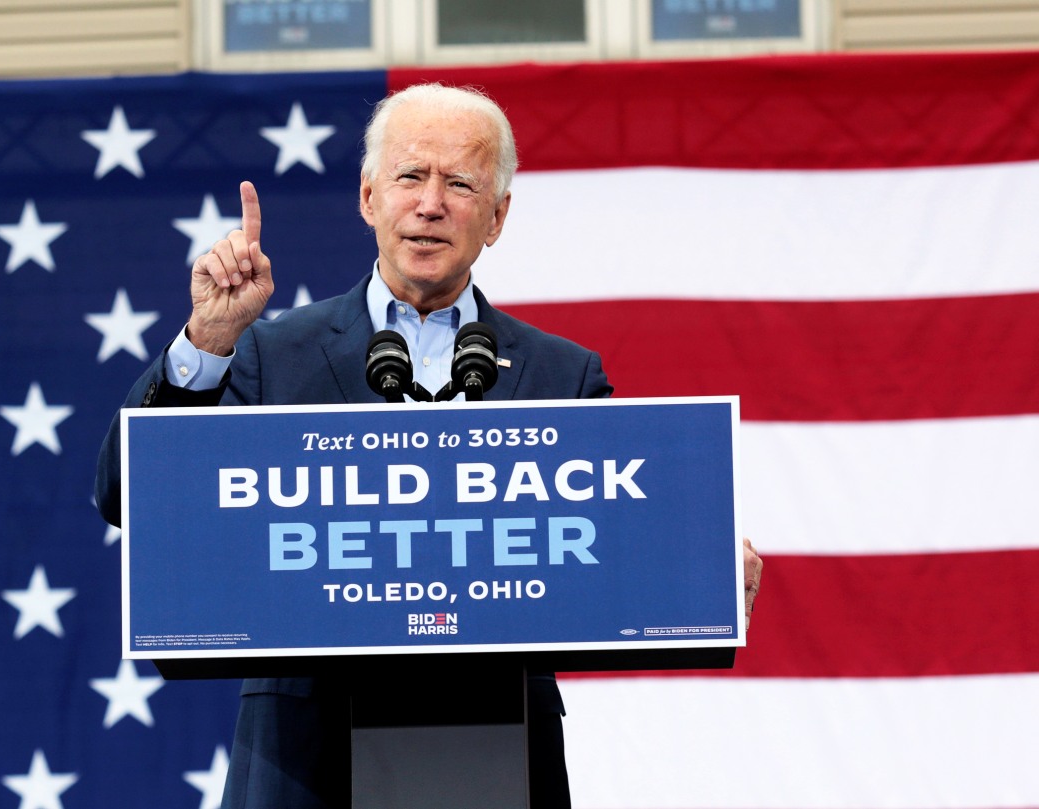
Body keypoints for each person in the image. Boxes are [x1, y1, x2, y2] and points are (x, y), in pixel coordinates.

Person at [96, 83, 764, 809]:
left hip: (496, 747)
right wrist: (208, 340)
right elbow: (128, 497)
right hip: (305, 757)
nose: (430, 204)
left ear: (497, 216)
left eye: (460, 184)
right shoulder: (271, 353)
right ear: (368, 197)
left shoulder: (561, 374)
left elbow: (612, 547)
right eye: (410, 176)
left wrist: (701, 572)